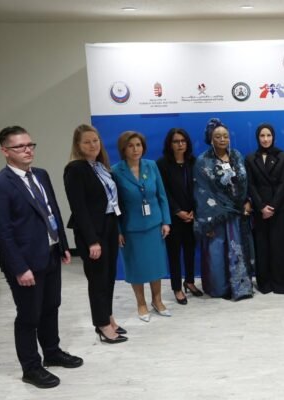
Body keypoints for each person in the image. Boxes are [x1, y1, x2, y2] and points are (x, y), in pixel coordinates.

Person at [0, 126, 82, 389]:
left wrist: (62, 244)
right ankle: (31, 367)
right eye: (19, 146)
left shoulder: (40, 174)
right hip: (25, 263)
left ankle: (52, 352)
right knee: (29, 315)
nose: (27, 150)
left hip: (50, 253)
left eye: (30, 145)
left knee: (51, 307)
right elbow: (2, 232)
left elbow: (52, 210)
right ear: (5, 151)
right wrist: (19, 268)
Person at [64, 124, 127, 343]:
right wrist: (92, 241)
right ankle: (101, 325)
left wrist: (116, 230)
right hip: (91, 232)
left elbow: (111, 202)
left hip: (109, 226)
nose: (93, 145)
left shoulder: (100, 167)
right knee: (98, 280)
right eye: (87, 142)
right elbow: (79, 208)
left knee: (109, 277)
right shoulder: (75, 169)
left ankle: (108, 317)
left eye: (95, 140)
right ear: (78, 145)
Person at [112, 131, 171, 321]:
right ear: (123, 149)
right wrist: (118, 230)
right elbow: (114, 205)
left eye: (138, 145)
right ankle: (141, 303)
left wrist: (166, 221)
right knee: (136, 267)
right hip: (131, 228)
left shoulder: (151, 166)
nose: (135, 149)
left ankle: (157, 300)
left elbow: (161, 195)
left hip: (154, 225)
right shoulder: (116, 171)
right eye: (130, 146)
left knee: (156, 265)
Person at [193, 118, 254, 301]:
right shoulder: (203, 161)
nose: (222, 139)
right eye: (218, 136)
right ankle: (220, 289)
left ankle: (241, 287)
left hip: (238, 215)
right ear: (210, 138)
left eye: (225, 136)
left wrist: (247, 201)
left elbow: (245, 182)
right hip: (217, 216)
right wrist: (209, 219)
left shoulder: (236, 155)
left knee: (239, 251)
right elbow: (202, 192)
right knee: (217, 253)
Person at [157, 128, 203, 305]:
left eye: (183, 141)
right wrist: (177, 211)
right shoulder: (162, 164)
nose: (180, 144)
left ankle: (189, 282)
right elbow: (163, 192)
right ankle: (177, 288)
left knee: (190, 250)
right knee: (174, 254)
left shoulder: (194, 162)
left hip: (191, 215)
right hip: (173, 217)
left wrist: (193, 210)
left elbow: (199, 188)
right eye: (176, 141)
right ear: (170, 144)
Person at [245, 123, 284, 294]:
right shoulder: (250, 158)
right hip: (260, 212)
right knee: (262, 248)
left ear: (273, 137)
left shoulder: (283, 157)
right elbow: (250, 185)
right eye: (262, 136)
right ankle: (264, 284)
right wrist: (261, 207)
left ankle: (279, 284)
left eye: (268, 135)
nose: (265, 139)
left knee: (279, 248)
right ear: (257, 138)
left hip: (279, 210)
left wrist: (272, 207)